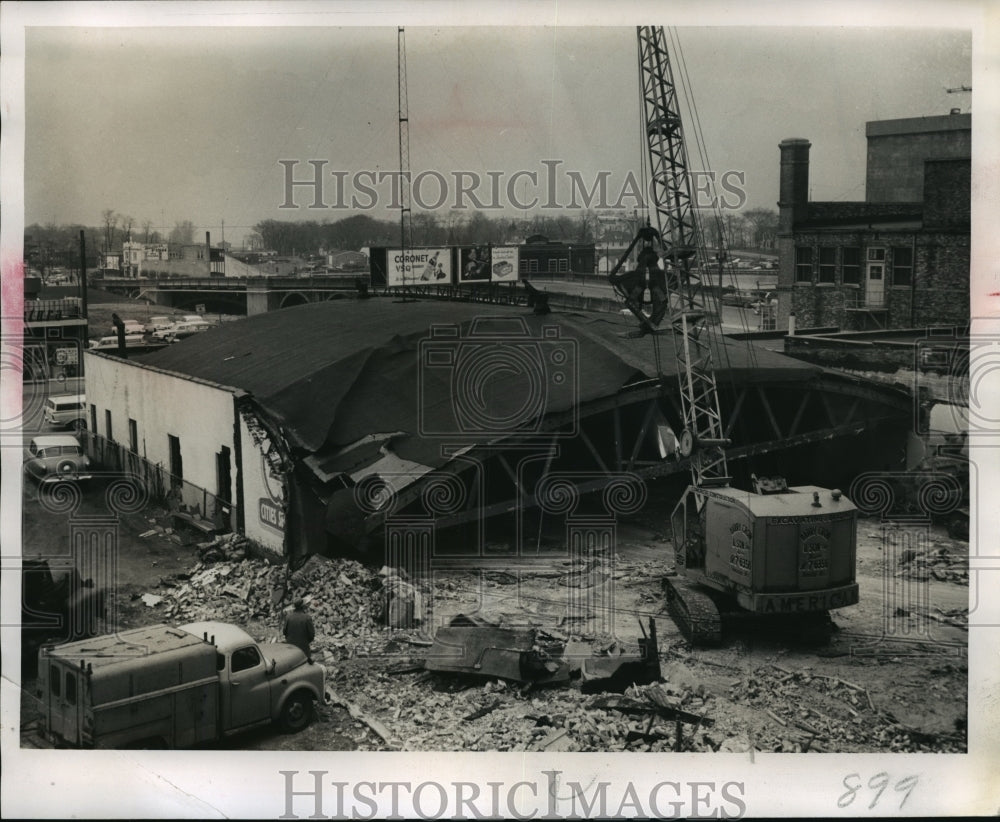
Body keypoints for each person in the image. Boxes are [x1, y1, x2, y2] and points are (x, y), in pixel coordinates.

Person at [283, 598, 315, 663]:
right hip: (303, 649)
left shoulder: (288, 617)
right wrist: (305, 642)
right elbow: (311, 635)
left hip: (290, 648)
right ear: (302, 606)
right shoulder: (307, 618)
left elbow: (284, 632)